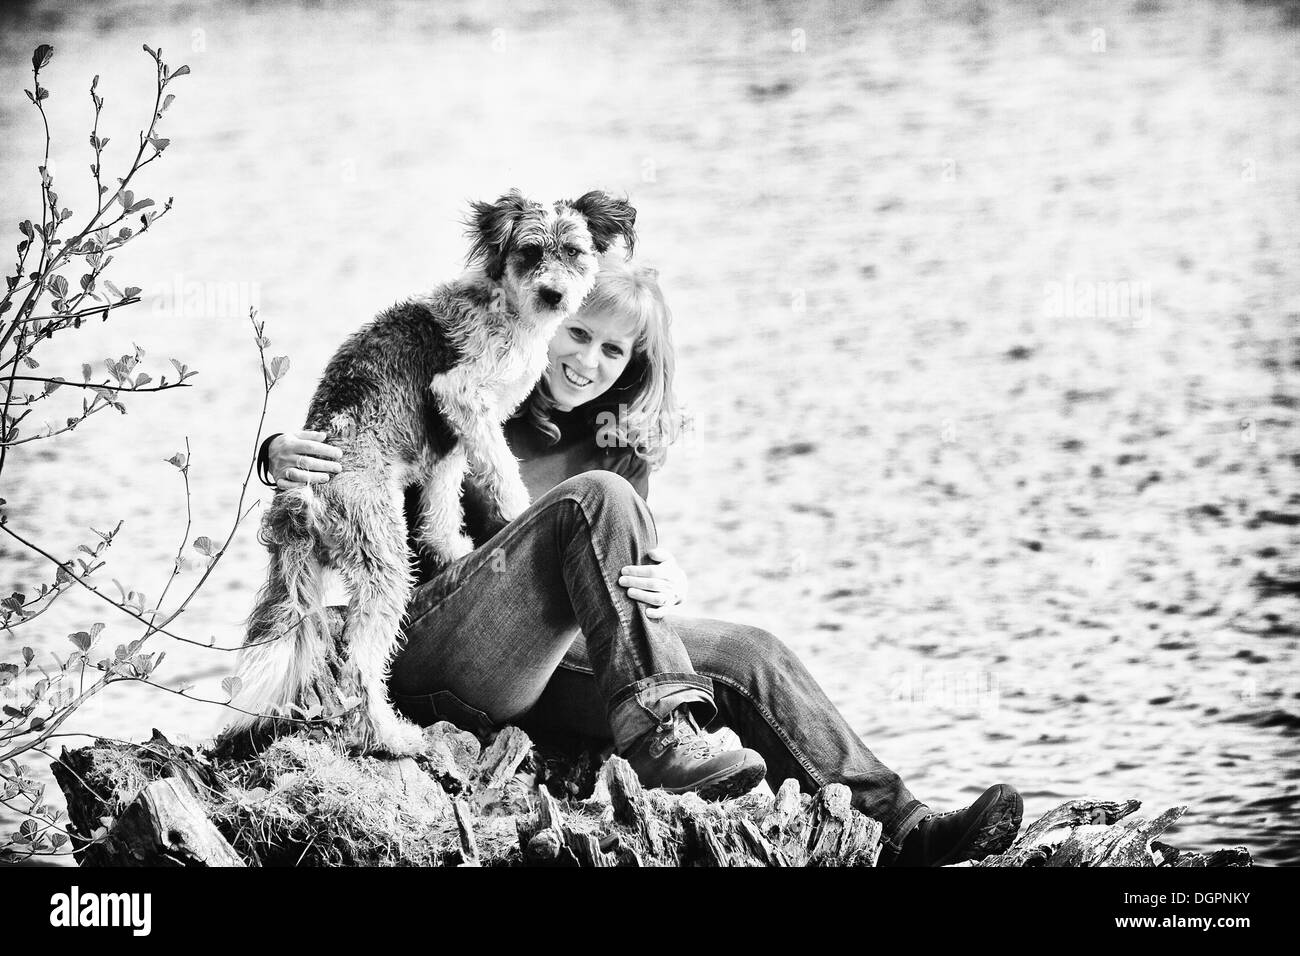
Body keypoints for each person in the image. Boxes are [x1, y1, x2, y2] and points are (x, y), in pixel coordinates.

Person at [257, 257, 1023, 865]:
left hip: (548, 669)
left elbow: (625, 581)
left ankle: (908, 825)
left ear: (630, 365)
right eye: (578, 332)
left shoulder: (617, 449)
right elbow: (357, 426)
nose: (588, 360)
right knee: (589, 500)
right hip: (434, 647)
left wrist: (668, 579)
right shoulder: (472, 382)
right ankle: (663, 739)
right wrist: (273, 453)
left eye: (613, 350)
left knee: (749, 652)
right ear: (541, 310)